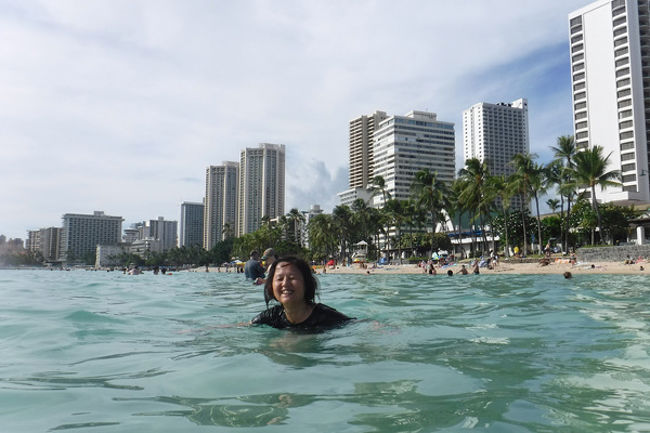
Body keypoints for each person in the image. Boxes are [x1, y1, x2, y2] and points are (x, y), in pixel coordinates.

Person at [251, 256, 353, 330]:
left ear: (306, 284)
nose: (285, 284)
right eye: (279, 279)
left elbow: (354, 324)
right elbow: (244, 326)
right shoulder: (272, 316)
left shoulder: (326, 317)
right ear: (271, 286)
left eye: (292, 278)